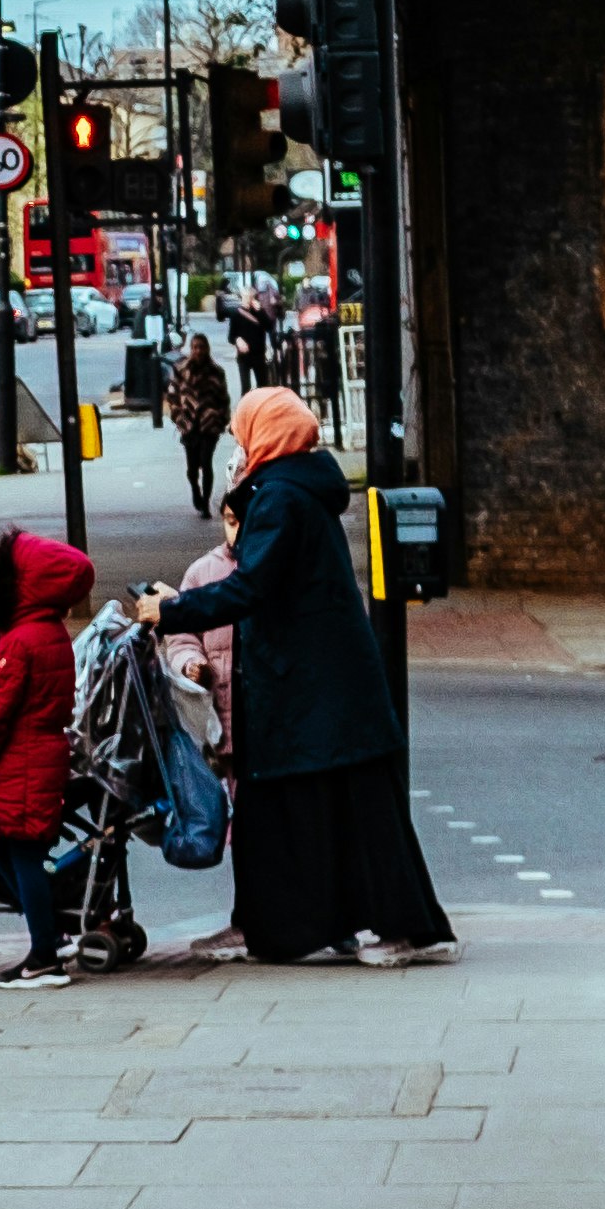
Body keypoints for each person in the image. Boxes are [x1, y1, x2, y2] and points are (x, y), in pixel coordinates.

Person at [148, 388, 455, 966]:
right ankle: (268, 925)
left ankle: (403, 930)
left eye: (242, 434)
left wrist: (172, 611)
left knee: (359, 813)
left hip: (318, 687)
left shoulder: (282, 497)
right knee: (282, 808)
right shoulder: (287, 489)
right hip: (310, 683)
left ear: (266, 435)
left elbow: (251, 585)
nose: (236, 446)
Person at [0, 529, 100, 983]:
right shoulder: (52, 632)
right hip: (43, 756)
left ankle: (45, 955)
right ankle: (51, 935)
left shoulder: (19, 642)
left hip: (19, 762)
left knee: (17, 853)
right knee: (15, 849)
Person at [165, 334, 231, 515]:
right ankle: (195, 490)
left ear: (207, 348)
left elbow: (223, 398)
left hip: (209, 425)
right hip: (188, 425)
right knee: (192, 468)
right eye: (195, 347)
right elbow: (172, 396)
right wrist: (178, 415)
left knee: (206, 462)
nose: (198, 351)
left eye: (202, 347)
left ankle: (206, 503)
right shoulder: (182, 370)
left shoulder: (216, 372)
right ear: (191, 349)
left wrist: (222, 418)